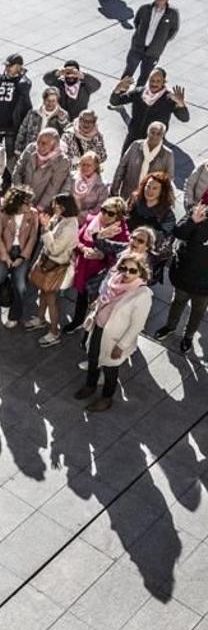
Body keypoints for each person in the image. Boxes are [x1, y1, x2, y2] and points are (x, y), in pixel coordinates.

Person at [75, 253, 151, 412]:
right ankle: (90, 385)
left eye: (132, 270)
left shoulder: (142, 295)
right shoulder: (114, 280)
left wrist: (121, 346)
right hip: (99, 328)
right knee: (93, 358)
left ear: (141, 272)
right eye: (124, 268)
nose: (126, 273)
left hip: (115, 339)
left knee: (110, 369)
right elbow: (103, 299)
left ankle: (106, 398)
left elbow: (137, 325)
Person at [64, 196, 129, 334]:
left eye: (110, 213)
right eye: (103, 210)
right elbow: (77, 239)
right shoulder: (91, 220)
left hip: (100, 273)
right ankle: (78, 321)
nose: (104, 215)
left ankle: (91, 332)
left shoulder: (122, 234)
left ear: (119, 216)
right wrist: (83, 249)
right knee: (81, 296)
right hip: (84, 267)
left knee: (97, 304)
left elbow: (120, 259)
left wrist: (103, 256)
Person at [155, 203, 208, 354]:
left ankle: (188, 337)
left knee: (198, 311)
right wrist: (193, 221)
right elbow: (178, 232)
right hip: (185, 274)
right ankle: (170, 327)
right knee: (178, 302)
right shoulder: (199, 211)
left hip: (205, 284)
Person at [28, 193, 80, 346]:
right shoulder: (62, 219)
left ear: (64, 207)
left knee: (51, 298)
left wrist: (45, 228)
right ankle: (40, 318)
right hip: (49, 262)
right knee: (43, 292)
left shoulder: (71, 226)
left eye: (56, 205)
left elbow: (55, 248)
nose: (53, 207)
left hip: (56, 265)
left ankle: (54, 331)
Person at [0, 185, 38, 327]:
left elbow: (33, 238)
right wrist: (5, 257)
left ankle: (15, 315)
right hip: (4, 252)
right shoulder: (2, 213)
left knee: (20, 286)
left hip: (22, 252)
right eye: (27, 202)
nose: (30, 205)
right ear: (17, 202)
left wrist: (23, 257)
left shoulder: (33, 214)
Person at [110, 68, 190, 146]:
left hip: (153, 142)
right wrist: (117, 90)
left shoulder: (168, 99)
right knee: (125, 159)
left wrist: (181, 104)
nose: (154, 83)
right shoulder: (139, 92)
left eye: (158, 81)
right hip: (133, 139)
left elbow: (184, 118)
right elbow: (115, 102)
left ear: (164, 82)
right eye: (152, 80)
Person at [123, 0, 180, 82]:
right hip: (137, 48)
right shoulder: (145, 9)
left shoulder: (172, 13)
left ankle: (137, 96)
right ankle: (119, 95)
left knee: (144, 76)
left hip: (153, 52)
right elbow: (137, 22)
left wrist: (161, 40)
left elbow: (173, 30)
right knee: (128, 73)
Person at [112, 121, 174, 197]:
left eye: (159, 134)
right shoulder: (135, 145)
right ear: (148, 132)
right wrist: (114, 190)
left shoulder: (167, 154)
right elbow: (121, 167)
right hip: (128, 193)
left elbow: (168, 178)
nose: (154, 136)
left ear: (163, 136)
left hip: (150, 198)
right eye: (152, 132)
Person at [15, 128, 71, 212]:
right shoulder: (31, 148)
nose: (39, 146)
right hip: (19, 199)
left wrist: (39, 208)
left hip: (40, 205)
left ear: (54, 145)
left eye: (44, 143)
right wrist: (19, 196)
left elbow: (53, 187)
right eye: (38, 141)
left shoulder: (62, 161)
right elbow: (18, 170)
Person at [0, 53, 33, 148]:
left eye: (10, 66)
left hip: (12, 124)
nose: (7, 68)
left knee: (10, 151)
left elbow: (25, 87)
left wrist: (22, 74)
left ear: (18, 67)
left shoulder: (23, 82)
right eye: (6, 66)